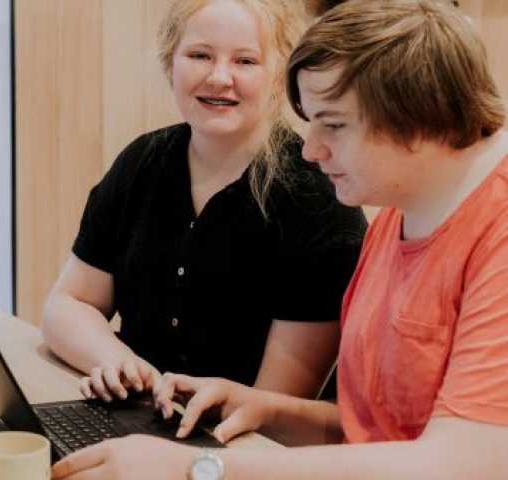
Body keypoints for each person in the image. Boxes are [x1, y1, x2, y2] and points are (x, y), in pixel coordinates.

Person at [51, 0, 508, 478]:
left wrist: (198, 467)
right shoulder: (398, 214)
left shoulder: (492, 232)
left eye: (332, 124)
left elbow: (467, 462)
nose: (311, 147)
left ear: (418, 115)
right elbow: (372, 432)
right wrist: (265, 409)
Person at [42, 0, 366, 404]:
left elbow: (275, 409)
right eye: (199, 55)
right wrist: (119, 363)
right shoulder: (142, 161)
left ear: (281, 75)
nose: (219, 77)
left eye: (245, 61)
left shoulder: (317, 198)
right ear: (170, 63)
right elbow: (68, 303)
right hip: (135, 413)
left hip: (236, 447)